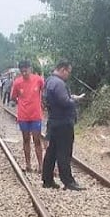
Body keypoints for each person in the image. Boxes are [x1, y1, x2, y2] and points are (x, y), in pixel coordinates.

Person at [41, 60, 85, 191]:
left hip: (53, 121)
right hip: (63, 123)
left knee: (51, 152)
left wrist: (70, 97)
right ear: (63, 70)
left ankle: (47, 179)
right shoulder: (59, 83)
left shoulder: (49, 81)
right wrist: (74, 100)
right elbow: (65, 102)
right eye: (68, 72)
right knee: (64, 153)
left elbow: (56, 98)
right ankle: (68, 181)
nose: (68, 75)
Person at [11, 60, 45, 173]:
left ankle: (41, 165)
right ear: (20, 71)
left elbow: (44, 90)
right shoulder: (17, 82)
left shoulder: (38, 80)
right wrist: (20, 102)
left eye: (26, 69)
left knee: (37, 140)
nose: (24, 72)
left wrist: (41, 102)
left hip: (36, 115)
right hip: (23, 116)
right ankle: (28, 164)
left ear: (30, 69)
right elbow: (13, 97)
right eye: (22, 70)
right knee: (26, 140)